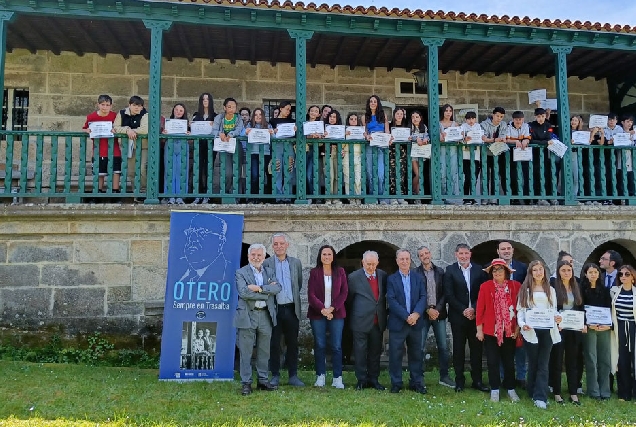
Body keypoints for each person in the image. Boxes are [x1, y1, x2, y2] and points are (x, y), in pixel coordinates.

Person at [234, 243, 281, 395]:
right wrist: (267, 291)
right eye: (253, 255)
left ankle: (262, 380)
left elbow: (277, 288)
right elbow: (243, 293)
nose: (256, 257)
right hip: (248, 314)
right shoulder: (241, 272)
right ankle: (246, 383)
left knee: (264, 350)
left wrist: (259, 288)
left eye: (259, 255)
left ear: (264, 256)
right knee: (246, 350)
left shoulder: (270, 272)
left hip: (266, 314)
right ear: (248, 256)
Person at [443, 243, 489, 392]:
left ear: (470, 254)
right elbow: (449, 294)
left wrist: (474, 309)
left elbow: (483, 292)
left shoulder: (478, 270)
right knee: (458, 350)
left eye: (466, 253)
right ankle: (459, 381)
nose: (463, 256)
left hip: (476, 316)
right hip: (458, 317)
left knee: (476, 350)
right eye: (461, 254)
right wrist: (464, 310)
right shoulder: (450, 270)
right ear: (456, 254)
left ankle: (477, 381)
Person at [517, 260, 562, 409]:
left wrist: (557, 317)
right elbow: (520, 312)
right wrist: (523, 325)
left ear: (544, 271)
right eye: (535, 270)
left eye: (540, 269)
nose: (538, 272)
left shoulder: (551, 289)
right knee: (533, 362)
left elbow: (554, 309)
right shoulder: (525, 289)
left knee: (543, 364)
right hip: (531, 331)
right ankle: (531, 390)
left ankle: (540, 397)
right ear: (531, 272)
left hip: (548, 330)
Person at [476, 258, 522, 403]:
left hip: (510, 331)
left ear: (506, 271)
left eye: (500, 269)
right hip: (491, 331)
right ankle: (494, 389)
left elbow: (520, 309)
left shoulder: (516, 286)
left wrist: (517, 328)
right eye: (494, 270)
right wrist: (479, 330)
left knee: (509, 361)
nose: (497, 272)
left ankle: (510, 388)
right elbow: (480, 309)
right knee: (492, 361)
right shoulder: (485, 286)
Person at [263, 233, 305, 387]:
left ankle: (293, 375)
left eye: (281, 244)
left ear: (287, 245)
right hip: (274, 309)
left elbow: (298, 284)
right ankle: (275, 375)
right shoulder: (266, 263)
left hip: (292, 309)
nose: (279, 247)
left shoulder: (296, 263)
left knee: (292, 343)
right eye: (275, 244)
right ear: (272, 246)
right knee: (274, 343)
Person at [307, 245, 348, 388]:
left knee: (336, 346)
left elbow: (344, 292)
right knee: (320, 345)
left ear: (333, 256)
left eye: (329, 254)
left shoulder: (340, 272)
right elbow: (311, 294)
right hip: (318, 314)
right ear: (320, 256)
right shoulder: (314, 272)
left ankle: (337, 377)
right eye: (324, 254)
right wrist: (323, 310)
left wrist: (332, 308)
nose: (326, 257)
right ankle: (320, 376)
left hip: (336, 314)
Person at [387, 249, 427, 394]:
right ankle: (396, 382)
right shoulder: (391, 279)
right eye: (402, 259)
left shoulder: (418, 278)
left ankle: (416, 382)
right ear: (397, 261)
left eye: (407, 259)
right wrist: (406, 316)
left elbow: (423, 297)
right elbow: (391, 300)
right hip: (399, 323)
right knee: (395, 354)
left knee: (416, 354)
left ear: (410, 260)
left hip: (416, 322)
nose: (404, 262)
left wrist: (416, 314)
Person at [414, 246, 454, 388]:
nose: (425, 256)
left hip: (439, 314)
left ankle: (444, 376)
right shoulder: (415, 273)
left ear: (430, 254)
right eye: (421, 255)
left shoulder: (440, 272)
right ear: (418, 258)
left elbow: (445, 293)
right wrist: (427, 309)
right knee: (420, 347)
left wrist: (437, 309)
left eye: (426, 253)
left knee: (443, 346)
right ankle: (419, 377)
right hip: (423, 315)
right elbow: (416, 295)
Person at [346, 250, 388, 390]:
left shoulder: (382, 275)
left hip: (377, 321)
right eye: (368, 264)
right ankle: (361, 380)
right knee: (359, 352)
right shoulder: (353, 277)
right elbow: (349, 300)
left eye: (373, 264)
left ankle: (374, 379)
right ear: (362, 262)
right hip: (360, 321)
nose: (370, 267)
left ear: (377, 263)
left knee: (375, 352)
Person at [549, 260, 585, 405]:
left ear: (572, 272)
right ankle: (557, 392)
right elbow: (550, 307)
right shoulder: (553, 287)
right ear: (558, 272)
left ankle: (573, 392)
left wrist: (583, 323)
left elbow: (581, 307)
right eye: (563, 270)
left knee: (572, 362)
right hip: (559, 328)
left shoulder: (577, 286)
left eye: (569, 270)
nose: (566, 273)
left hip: (574, 329)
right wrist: (555, 319)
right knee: (556, 361)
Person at [496, 240, 528, 387]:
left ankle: (521, 376)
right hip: (500, 313)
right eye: (503, 249)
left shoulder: (522, 268)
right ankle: (503, 376)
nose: (506, 251)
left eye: (509, 248)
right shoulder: (493, 268)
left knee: (520, 345)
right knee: (502, 345)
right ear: (498, 252)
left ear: (513, 251)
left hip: (518, 311)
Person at [580, 263, 612, 400]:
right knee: (591, 360)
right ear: (585, 274)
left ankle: (605, 391)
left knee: (605, 359)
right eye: (590, 272)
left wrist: (608, 325)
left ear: (599, 274)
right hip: (589, 329)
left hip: (604, 328)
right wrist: (587, 323)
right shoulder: (581, 290)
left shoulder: (605, 290)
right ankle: (593, 391)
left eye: (596, 272)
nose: (593, 274)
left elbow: (610, 309)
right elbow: (580, 308)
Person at [82, 94, 120, 199]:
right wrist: (87, 130)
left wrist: (116, 130)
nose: (105, 107)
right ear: (98, 105)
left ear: (111, 106)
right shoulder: (91, 117)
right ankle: (97, 192)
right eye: (102, 104)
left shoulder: (115, 116)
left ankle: (115, 192)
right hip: (99, 150)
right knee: (100, 173)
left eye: (107, 105)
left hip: (114, 150)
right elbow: (84, 128)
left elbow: (120, 127)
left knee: (115, 172)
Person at [177, 213, 231, 283]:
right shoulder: (177, 268)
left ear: (221, 242)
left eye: (202, 233)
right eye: (190, 232)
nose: (193, 238)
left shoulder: (230, 271)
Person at [112, 95, 148, 198]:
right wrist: (127, 130)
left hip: (143, 147)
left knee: (142, 169)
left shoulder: (145, 114)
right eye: (134, 105)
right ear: (129, 105)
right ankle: (136, 192)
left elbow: (145, 129)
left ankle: (144, 191)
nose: (137, 108)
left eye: (139, 106)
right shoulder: (122, 113)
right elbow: (116, 127)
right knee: (131, 171)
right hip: (128, 146)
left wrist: (133, 131)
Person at [610, 264, 636, 401]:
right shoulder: (614, 291)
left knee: (635, 360)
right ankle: (624, 392)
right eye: (620, 274)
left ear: (633, 277)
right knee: (622, 360)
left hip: (634, 328)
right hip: (620, 328)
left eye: (627, 274)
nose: (623, 277)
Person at [211, 97, 244, 198]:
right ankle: (225, 194)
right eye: (229, 107)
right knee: (228, 172)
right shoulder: (219, 118)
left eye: (234, 107)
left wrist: (231, 134)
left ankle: (235, 196)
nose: (231, 109)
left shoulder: (238, 118)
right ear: (224, 107)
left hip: (236, 147)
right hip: (224, 147)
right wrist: (219, 134)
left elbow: (239, 129)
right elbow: (213, 130)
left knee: (236, 172)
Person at [362, 95, 391, 204]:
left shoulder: (383, 115)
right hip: (370, 146)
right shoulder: (365, 117)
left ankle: (382, 197)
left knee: (380, 173)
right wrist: (367, 136)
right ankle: (372, 197)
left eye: (375, 101)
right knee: (370, 172)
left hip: (381, 146)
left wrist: (389, 138)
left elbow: (386, 130)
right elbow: (364, 131)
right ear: (368, 104)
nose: (373, 103)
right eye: (371, 101)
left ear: (378, 103)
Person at [242, 108, 274, 202]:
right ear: (253, 116)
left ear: (263, 116)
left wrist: (272, 133)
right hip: (253, 153)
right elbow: (241, 134)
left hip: (266, 154)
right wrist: (245, 132)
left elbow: (275, 137)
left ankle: (265, 197)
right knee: (255, 175)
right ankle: (253, 197)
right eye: (256, 115)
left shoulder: (268, 125)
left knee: (265, 175)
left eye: (260, 114)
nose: (258, 116)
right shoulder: (249, 125)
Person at [529, 107, 558, 206]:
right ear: (535, 117)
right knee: (536, 175)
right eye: (538, 116)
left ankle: (549, 196)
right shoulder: (531, 125)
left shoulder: (548, 125)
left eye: (542, 116)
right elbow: (531, 140)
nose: (540, 118)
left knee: (547, 175)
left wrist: (542, 141)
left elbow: (549, 138)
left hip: (546, 155)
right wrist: (544, 142)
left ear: (545, 116)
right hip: (533, 155)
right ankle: (537, 197)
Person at [162, 103, 190, 205]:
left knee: (181, 171)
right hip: (170, 146)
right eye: (176, 109)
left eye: (181, 110)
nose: (178, 112)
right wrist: (164, 133)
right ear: (173, 110)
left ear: (184, 113)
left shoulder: (187, 124)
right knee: (169, 170)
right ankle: (169, 196)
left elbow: (191, 138)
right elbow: (163, 138)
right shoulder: (167, 123)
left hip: (182, 146)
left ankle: (180, 196)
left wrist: (188, 134)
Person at [190, 92, 215, 205]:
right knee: (198, 170)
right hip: (199, 146)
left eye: (207, 99)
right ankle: (198, 195)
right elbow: (192, 131)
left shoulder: (215, 116)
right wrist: (191, 126)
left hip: (210, 147)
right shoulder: (196, 115)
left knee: (208, 170)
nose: (205, 101)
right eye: (203, 99)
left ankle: (207, 195)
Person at [269, 100, 296, 202]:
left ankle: (287, 196)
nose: (288, 111)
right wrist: (273, 131)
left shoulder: (292, 122)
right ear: (281, 108)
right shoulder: (273, 121)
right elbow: (270, 134)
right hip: (278, 146)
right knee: (277, 170)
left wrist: (295, 130)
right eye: (287, 109)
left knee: (289, 170)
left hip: (289, 146)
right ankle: (278, 196)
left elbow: (296, 137)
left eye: (289, 110)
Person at [481, 107, 508, 205]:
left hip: (498, 153)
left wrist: (492, 139)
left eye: (501, 117)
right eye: (497, 116)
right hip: (486, 153)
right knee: (485, 176)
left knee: (495, 176)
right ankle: (484, 198)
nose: (499, 118)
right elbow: (483, 138)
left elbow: (503, 137)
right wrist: (493, 140)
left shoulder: (503, 124)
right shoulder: (484, 124)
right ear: (493, 115)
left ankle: (493, 198)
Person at [506, 111, 531, 204]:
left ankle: (526, 198)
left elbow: (527, 137)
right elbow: (507, 139)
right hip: (512, 153)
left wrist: (526, 140)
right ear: (513, 119)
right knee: (513, 176)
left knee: (526, 175)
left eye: (520, 119)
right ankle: (515, 198)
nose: (518, 121)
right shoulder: (508, 127)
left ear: (523, 119)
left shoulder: (525, 126)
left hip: (524, 153)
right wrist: (516, 141)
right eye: (516, 119)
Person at [460, 111, 485, 205]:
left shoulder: (478, 127)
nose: (471, 121)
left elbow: (481, 137)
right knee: (467, 177)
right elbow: (460, 138)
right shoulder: (463, 127)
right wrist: (464, 138)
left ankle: (473, 197)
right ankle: (466, 198)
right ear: (466, 120)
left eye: (473, 118)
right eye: (469, 119)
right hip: (466, 156)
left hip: (476, 156)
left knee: (474, 177)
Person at [439, 104, 462, 204]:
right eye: (446, 110)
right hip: (442, 151)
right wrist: (443, 137)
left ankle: (452, 196)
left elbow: (460, 138)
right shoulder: (438, 124)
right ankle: (443, 195)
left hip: (453, 151)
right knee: (442, 173)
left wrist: (460, 136)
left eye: (450, 111)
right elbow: (439, 138)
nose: (448, 113)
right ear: (443, 112)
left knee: (453, 173)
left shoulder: (455, 124)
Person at [389, 107, 409, 205]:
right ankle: (393, 196)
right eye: (398, 114)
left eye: (401, 114)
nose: (399, 116)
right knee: (392, 174)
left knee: (401, 174)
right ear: (394, 115)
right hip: (391, 152)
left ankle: (401, 195)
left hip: (402, 152)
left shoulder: (407, 126)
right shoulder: (389, 126)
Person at [409, 111, 430, 204]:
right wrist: (415, 138)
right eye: (413, 117)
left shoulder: (424, 127)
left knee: (421, 175)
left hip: (422, 153)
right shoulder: (410, 128)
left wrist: (426, 139)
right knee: (418, 174)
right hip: (413, 154)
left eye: (417, 117)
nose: (415, 119)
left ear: (420, 118)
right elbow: (408, 137)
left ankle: (417, 196)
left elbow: (427, 136)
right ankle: (414, 191)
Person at [324, 109, 344, 204]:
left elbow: (344, 142)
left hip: (338, 151)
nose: (332, 119)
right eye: (330, 117)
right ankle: (328, 197)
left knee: (337, 176)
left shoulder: (340, 129)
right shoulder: (324, 128)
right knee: (329, 176)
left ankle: (336, 197)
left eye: (334, 117)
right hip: (328, 151)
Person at [305, 105, 323, 202]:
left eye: (316, 111)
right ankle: (308, 195)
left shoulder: (320, 125)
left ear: (319, 114)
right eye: (311, 111)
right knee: (303, 174)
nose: (313, 113)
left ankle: (314, 196)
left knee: (311, 174)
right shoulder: (304, 124)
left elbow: (321, 142)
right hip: (304, 150)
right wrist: (308, 137)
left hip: (315, 150)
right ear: (308, 112)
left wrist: (319, 137)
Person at [343, 112, 362, 204]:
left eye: (355, 119)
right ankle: (350, 197)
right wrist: (344, 135)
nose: (354, 121)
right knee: (348, 176)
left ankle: (358, 196)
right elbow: (342, 146)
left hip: (358, 155)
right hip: (347, 154)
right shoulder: (345, 131)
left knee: (358, 177)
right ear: (348, 121)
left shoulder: (362, 131)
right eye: (351, 119)